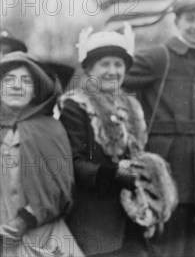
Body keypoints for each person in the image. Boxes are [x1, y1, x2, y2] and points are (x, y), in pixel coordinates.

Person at [59, 26, 175, 256]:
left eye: (119, 64)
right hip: (94, 217)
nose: (113, 71)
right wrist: (119, 174)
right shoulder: (75, 105)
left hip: (132, 214)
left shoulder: (131, 106)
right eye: (105, 64)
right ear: (89, 69)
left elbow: (134, 158)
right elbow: (75, 163)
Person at [123, 0, 195, 257]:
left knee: (194, 245)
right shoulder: (159, 57)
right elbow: (112, 81)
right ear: (177, 22)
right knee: (163, 241)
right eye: (190, 19)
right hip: (165, 163)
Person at [0, 52, 83, 257]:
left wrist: (24, 220)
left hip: (40, 236)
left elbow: (60, 188)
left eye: (26, 80)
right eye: (9, 80)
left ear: (36, 90)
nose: (17, 86)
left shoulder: (50, 130)